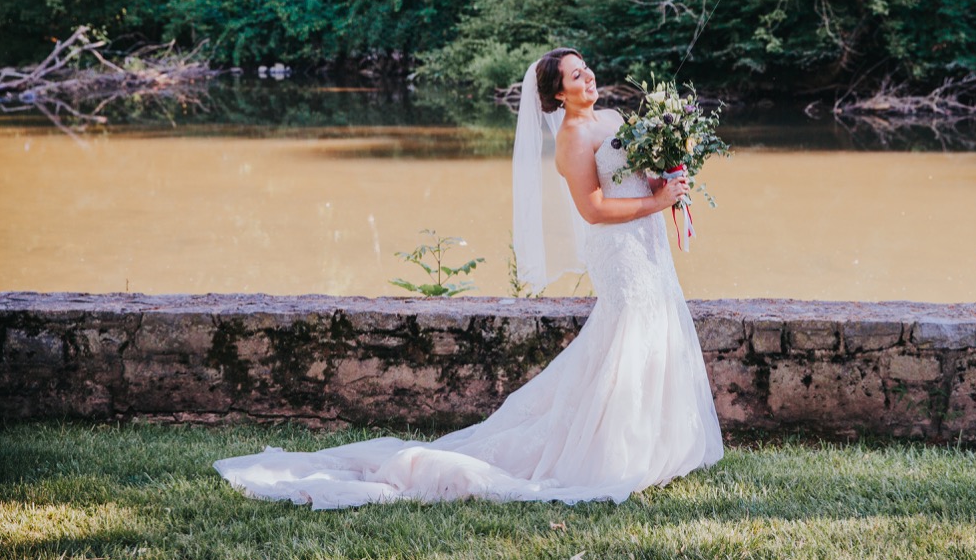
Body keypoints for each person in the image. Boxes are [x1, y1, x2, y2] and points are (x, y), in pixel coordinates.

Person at [214, 48, 723, 509]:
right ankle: (613, 452)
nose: (588, 76)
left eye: (585, 67)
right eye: (575, 75)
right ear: (557, 94)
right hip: (619, 250)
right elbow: (593, 210)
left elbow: (634, 176)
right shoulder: (571, 140)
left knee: (657, 325)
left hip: (648, 240)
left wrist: (665, 179)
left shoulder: (613, 117)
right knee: (627, 332)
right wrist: (656, 201)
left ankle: (658, 443)